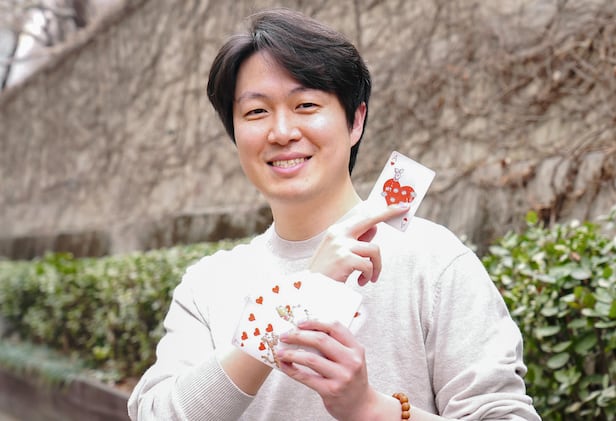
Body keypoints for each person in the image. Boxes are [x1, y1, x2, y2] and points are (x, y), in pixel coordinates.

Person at [128, 8, 540, 421]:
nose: (282, 132)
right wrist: (296, 301)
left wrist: (369, 408)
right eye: (256, 112)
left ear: (355, 120)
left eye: (306, 104)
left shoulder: (433, 261)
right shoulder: (208, 284)